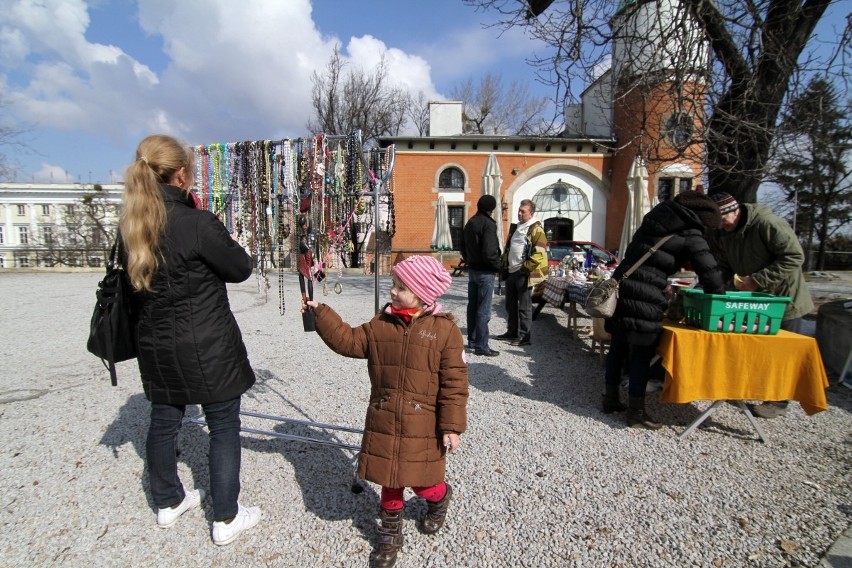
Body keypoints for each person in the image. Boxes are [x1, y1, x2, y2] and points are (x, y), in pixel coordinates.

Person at [120, 134, 260, 545]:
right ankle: (226, 518)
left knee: (163, 423)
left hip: (157, 344)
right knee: (222, 426)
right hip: (207, 344)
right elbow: (241, 268)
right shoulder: (197, 223)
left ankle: (167, 502)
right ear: (181, 174)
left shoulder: (131, 227)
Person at [303, 255, 469, 568]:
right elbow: (349, 341)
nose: (393, 291)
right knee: (390, 479)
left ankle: (440, 496)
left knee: (422, 483)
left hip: (423, 424)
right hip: (385, 418)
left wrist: (452, 426)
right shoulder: (381, 325)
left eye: (401, 287)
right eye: (394, 284)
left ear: (421, 294)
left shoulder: (445, 332)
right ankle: (390, 535)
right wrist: (322, 314)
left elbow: (455, 383)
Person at [603, 190, 725, 429]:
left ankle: (611, 399)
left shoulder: (656, 219)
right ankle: (636, 412)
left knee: (618, 345)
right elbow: (711, 275)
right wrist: (721, 296)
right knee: (641, 352)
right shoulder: (690, 232)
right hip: (646, 294)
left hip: (622, 287)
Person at [709, 192, 815, 419]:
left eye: (722, 221)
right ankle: (749, 389)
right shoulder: (725, 234)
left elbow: (794, 256)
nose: (720, 227)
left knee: (782, 355)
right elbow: (724, 266)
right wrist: (709, 285)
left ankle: (778, 401)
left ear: (734, 212)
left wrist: (757, 280)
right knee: (757, 349)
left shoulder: (768, 224)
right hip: (756, 302)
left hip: (785, 300)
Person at [494, 199, 549, 346]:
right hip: (512, 271)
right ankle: (512, 331)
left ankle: (524, 336)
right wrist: (503, 266)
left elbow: (539, 253)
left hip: (523, 273)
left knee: (524, 306)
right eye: (519, 210)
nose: (519, 213)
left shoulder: (536, 229)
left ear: (531, 213)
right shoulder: (517, 227)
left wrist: (524, 268)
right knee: (510, 305)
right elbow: (509, 249)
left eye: (522, 211)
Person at [461, 195, 502, 357]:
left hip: (473, 270)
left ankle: (472, 340)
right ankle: (481, 345)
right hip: (485, 271)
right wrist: (497, 267)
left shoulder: (470, 222)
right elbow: (489, 251)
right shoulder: (489, 224)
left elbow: (462, 246)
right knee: (483, 309)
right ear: (491, 209)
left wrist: (469, 260)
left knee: (472, 306)